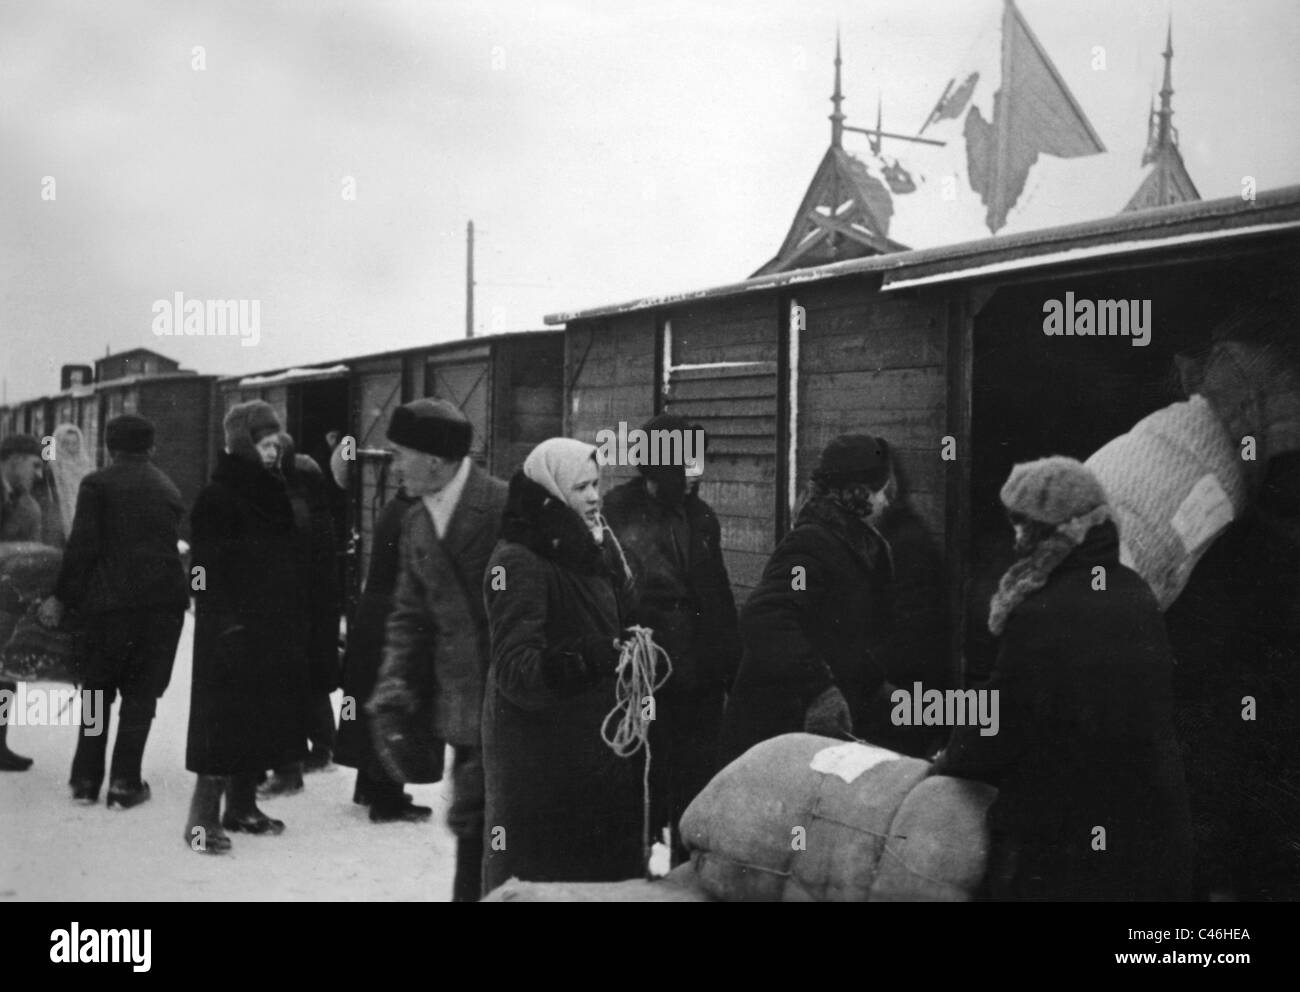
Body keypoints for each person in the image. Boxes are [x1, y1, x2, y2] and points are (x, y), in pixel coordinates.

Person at [932, 456, 1193, 901]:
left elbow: (1000, 718)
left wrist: (949, 760)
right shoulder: (1135, 591)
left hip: (1066, 839)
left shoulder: (1040, 610)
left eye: (1023, 526)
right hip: (1146, 824)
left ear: (1055, 533)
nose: (1015, 538)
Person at [481, 437, 642, 892]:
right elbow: (516, 670)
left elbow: (609, 616)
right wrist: (586, 657)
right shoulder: (518, 559)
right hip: (540, 764)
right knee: (543, 883)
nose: (595, 497)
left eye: (596, 485)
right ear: (552, 493)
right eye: (581, 488)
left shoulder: (594, 545)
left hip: (590, 751)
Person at [369, 399, 507, 901]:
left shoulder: (500, 506)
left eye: (400, 453)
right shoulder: (417, 522)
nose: (395, 465)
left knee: (493, 825)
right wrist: (394, 681)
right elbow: (409, 612)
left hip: (509, 701)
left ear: (435, 459)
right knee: (474, 822)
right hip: (462, 700)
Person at [601, 414, 739, 863]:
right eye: (687, 464)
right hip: (643, 673)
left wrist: (727, 665)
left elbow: (716, 593)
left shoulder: (701, 516)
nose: (697, 474)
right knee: (639, 781)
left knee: (694, 784)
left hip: (696, 676)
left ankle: (687, 872)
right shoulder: (618, 510)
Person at [718, 434, 896, 765]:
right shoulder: (810, 546)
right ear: (857, 493)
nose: (887, 501)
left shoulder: (858, 546)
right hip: (775, 736)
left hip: (808, 733)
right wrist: (820, 690)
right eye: (881, 490)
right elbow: (767, 616)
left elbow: (845, 639)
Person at [39, 415, 188, 808]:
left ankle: (86, 780)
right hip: (161, 608)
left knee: (96, 693)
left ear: (108, 446)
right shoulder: (168, 487)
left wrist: (61, 597)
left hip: (109, 609)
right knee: (141, 697)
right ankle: (125, 783)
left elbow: (83, 548)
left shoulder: (97, 484)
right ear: (151, 448)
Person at [183, 401, 306, 854]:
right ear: (242, 444)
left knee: (254, 718)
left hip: (267, 625)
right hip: (228, 629)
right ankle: (201, 822)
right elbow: (201, 569)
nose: (273, 452)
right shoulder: (218, 496)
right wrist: (221, 620)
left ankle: (242, 808)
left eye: (277, 444)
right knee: (220, 724)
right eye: (265, 444)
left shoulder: (270, 490)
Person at [259, 432, 341, 797]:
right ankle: (324, 745)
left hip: (301, 609)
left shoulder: (299, 512)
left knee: (300, 680)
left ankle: (311, 753)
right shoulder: (320, 514)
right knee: (313, 678)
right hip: (316, 608)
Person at [0, 434, 47, 771]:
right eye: (34, 465)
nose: (38, 474)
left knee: (4, 675)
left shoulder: (28, 505)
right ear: (13, 460)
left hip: (6, 605)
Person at [48, 423, 95, 538]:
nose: (70, 447)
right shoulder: (53, 466)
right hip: (60, 517)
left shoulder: (86, 464)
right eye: (65, 444)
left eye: (74, 443)